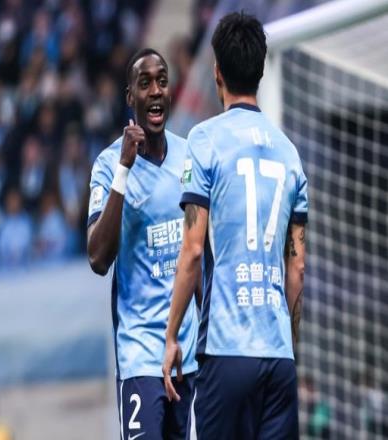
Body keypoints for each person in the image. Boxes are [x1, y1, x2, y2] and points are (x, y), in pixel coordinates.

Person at [162, 12, 308, 439]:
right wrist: (287, 344)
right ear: (260, 71)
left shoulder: (205, 140)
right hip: (278, 357)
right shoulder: (290, 153)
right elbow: (297, 269)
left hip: (226, 351)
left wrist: (172, 336)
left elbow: (193, 250)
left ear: (217, 73)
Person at [87, 48, 199, 439]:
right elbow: (98, 258)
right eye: (145, 83)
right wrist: (124, 170)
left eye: (162, 81)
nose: (155, 90)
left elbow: (200, 254)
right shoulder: (108, 165)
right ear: (130, 96)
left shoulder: (190, 157)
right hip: (140, 357)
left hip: (188, 358)